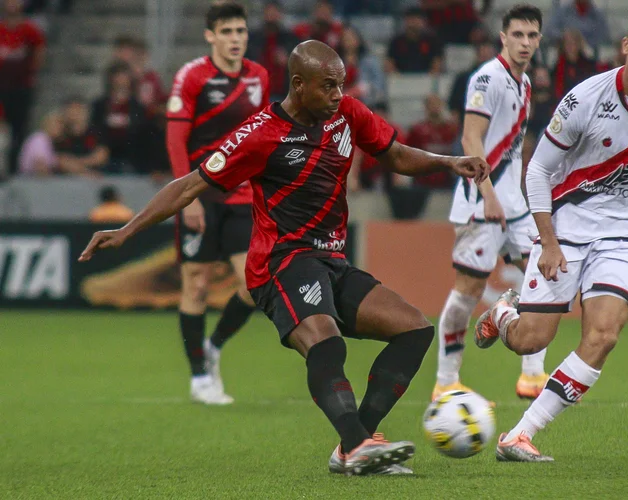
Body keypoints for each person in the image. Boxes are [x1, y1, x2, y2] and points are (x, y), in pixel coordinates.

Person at [78, 39, 489, 476]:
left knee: (413, 330)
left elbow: (397, 155)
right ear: (299, 84)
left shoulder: (347, 113)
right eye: (328, 86)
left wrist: (449, 162)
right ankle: (357, 443)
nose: (337, 94)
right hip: (281, 262)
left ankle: (355, 443)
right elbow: (190, 185)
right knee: (326, 342)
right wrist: (127, 230)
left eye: (341, 85)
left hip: (332, 260)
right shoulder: (260, 134)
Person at [474, 5, 628, 462]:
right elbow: (537, 172)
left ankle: (520, 434)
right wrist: (549, 241)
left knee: (603, 336)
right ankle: (504, 313)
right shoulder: (584, 98)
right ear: (624, 47)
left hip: (626, 236)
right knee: (530, 340)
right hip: (568, 227)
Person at [434, 4, 548, 402]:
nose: (525, 43)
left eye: (532, 36)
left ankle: (531, 375)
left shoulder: (525, 83)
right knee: (468, 289)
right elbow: (470, 140)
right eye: (517, 35)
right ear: (503, 37)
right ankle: (446, 381)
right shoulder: (487, 78)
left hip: (513, 204)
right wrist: (489, 196)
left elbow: (514, 149)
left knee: (548, 271)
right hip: (481, 203)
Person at [164, 2, 270, 405]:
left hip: (242, 196)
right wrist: (184, 196)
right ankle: (198, 378)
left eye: (240, 31)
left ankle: (213, 345)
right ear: (210, 36)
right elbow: (176, 139)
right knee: (197, 283)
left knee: (253, 284)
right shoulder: (192, 76)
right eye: (227, 32)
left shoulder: (259, 76)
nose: (235, 39)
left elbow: (262, 138)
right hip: (201, 196)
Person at [0, 0, 46, 176]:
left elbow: (39, 52)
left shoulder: (29, 30)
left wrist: (32, 75)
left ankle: (16, 167)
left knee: (19, 129)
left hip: (21, 88)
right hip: (2, 88)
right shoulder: (2, 30)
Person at [18, 110, 63, 176]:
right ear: (47, 124)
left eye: (61, 124)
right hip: (28, 182)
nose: (60, 127)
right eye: (57, 124)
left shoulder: (48, 141)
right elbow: (40, 168)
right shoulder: (39, 139)